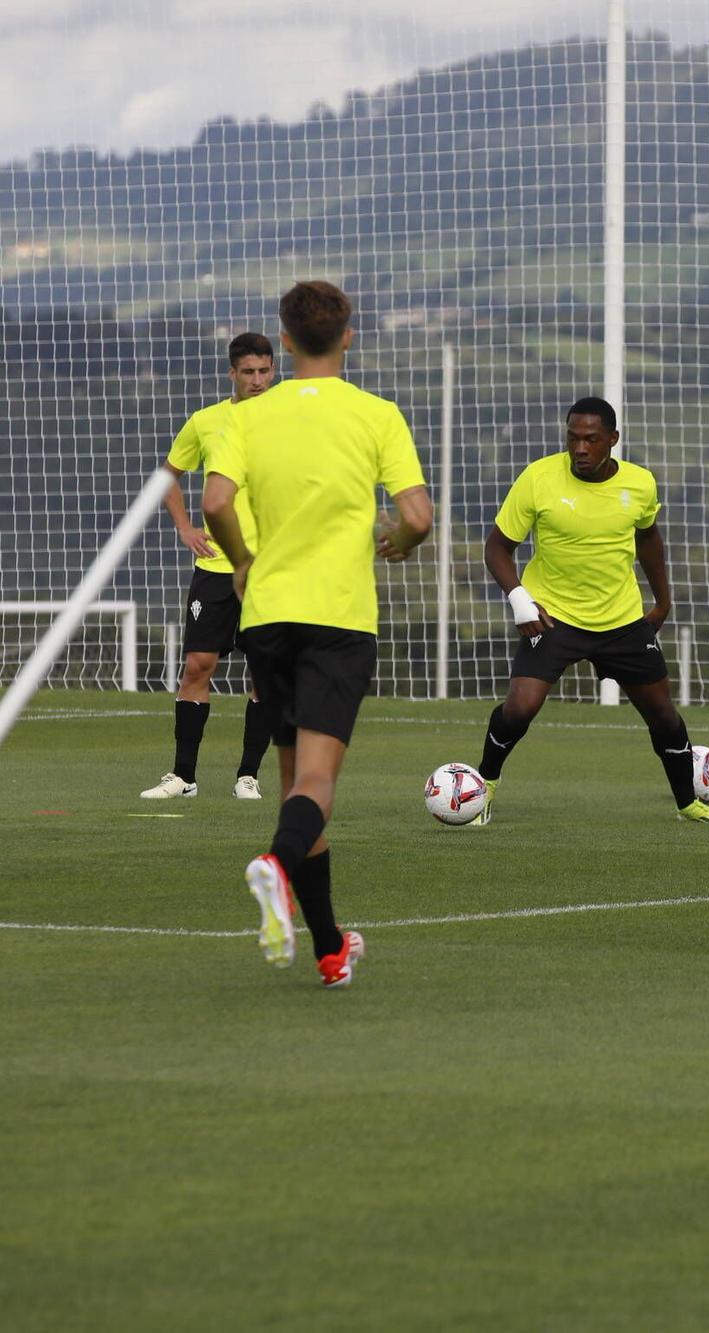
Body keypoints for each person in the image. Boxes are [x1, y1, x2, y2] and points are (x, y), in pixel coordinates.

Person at [202, 280, 432, 988]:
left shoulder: (247, 416)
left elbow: (214, 501)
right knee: (316, 783)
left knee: (294, 786)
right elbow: (419, 515)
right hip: (338, 620)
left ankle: (330, 947)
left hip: (267, 615)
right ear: (349, 337)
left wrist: (242, 561)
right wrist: (399, 539)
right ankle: (273, 863)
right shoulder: (377, 414)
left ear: (288, 342)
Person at [471, 397, 709, 826]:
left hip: (621, 620)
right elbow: (498, 547)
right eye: (573, 438)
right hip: (553, 615)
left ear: (612, 440)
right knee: (520, 707)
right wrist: (520, 598)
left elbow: (649, 540)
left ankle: (688, 804)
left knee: (663, 714)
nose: (580, 449)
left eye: (591, 439)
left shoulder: (641, 483)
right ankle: (481, 790)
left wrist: (663, 600)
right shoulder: (538, 478)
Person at [140, 332, 277, 800]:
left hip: (269, 571)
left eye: (265, 371)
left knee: (264, 672)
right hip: (217, 569)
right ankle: (183, 777)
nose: (258, 381)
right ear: (232, 374)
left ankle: (248, 776)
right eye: (249, 372)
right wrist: (184, 527)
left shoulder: (288, 421)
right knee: (198, 665)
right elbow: (168, 475)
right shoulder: (206, 422)